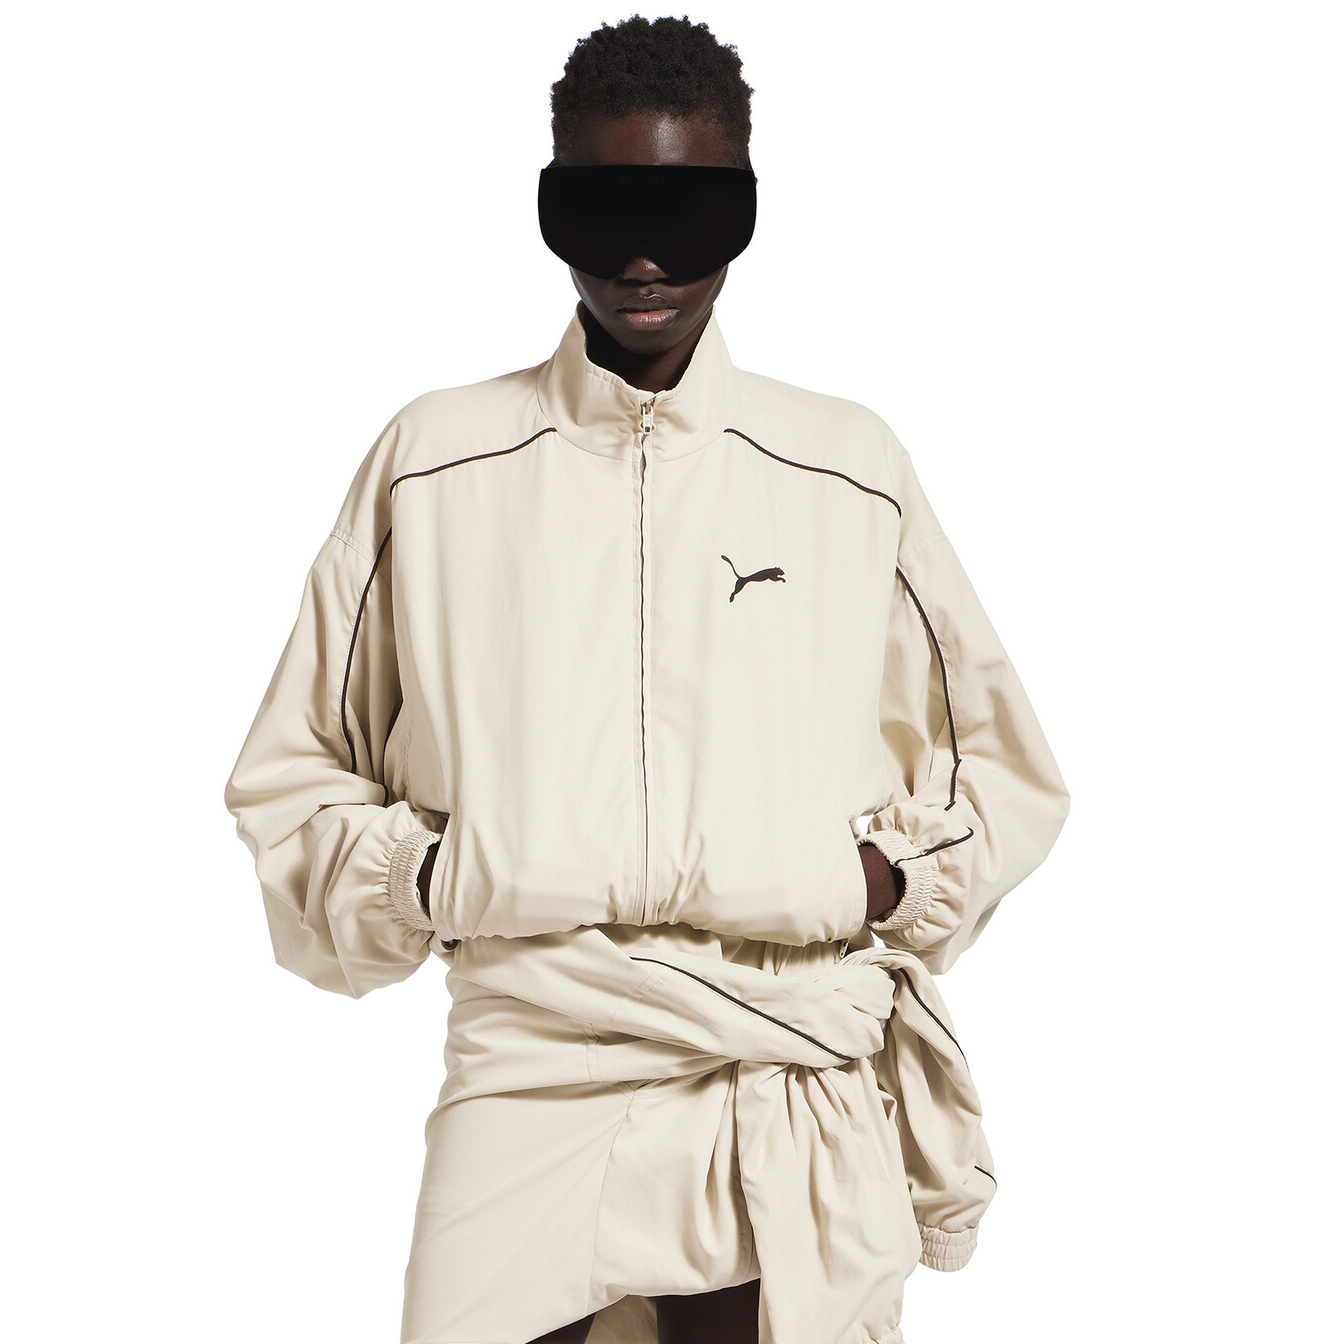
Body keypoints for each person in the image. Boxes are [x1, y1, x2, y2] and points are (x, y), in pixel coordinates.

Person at [223, 15, 1070, 1344]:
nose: (644, 259)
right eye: (603, 210)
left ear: (746, 212)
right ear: (551, 205)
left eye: (690, 215)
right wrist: (434, 881)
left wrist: (876, 881)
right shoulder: (436, 464)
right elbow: (296, 770)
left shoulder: (844, 470)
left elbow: (1000, 769)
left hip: (779, 1068)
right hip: (532, 1071)